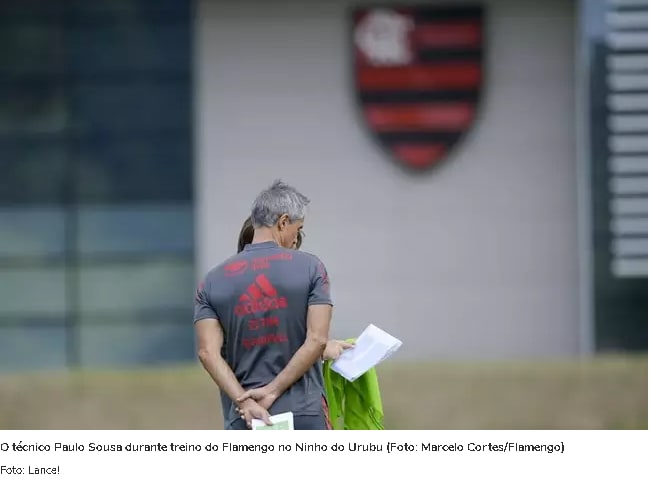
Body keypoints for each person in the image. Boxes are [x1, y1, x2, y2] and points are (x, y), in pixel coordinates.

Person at [194, 180, 340, 430]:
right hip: (304, 413)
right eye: (298, 227)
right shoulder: (311, 268)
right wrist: (273, 390)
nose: (297, 236)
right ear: (283, 222)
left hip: (245, 419)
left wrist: (244, 400)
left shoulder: (211, 281)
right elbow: (316, 339)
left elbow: (208, 353)